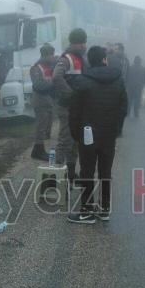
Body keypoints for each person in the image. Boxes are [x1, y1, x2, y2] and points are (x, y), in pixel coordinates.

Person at [67, 46, 127, 224]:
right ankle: (104, 209)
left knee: (87, 170)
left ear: (89, 61)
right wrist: (117, 128)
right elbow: (124, 108)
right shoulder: (118, 80)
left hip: (88, 133)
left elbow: (74, 111)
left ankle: (86, 211)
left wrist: (75, 133)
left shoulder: (83, 80)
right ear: (104, 59)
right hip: (109, 133)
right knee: (105, 171)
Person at [51, 28, 88, 183]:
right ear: (77, 43)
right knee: (65, 139)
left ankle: (71, 174)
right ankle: (55, 175)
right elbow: (56, 77)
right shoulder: (66, 58)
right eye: (83, 43)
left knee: (75, 141)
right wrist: (71, 94)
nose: (85, 46)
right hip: (67, 106)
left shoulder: (80, 58)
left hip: (77, 107)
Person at [29, 43, 56, 161]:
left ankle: (40, 149)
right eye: (51, 55)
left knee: (45, 126)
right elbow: (38, 85)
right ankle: (38, 151)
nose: (53, 57)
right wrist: (54, 82)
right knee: (40, 126)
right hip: (40, 100)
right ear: (45, 55)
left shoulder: (49, 66)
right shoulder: (36, 68)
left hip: (47, 100)